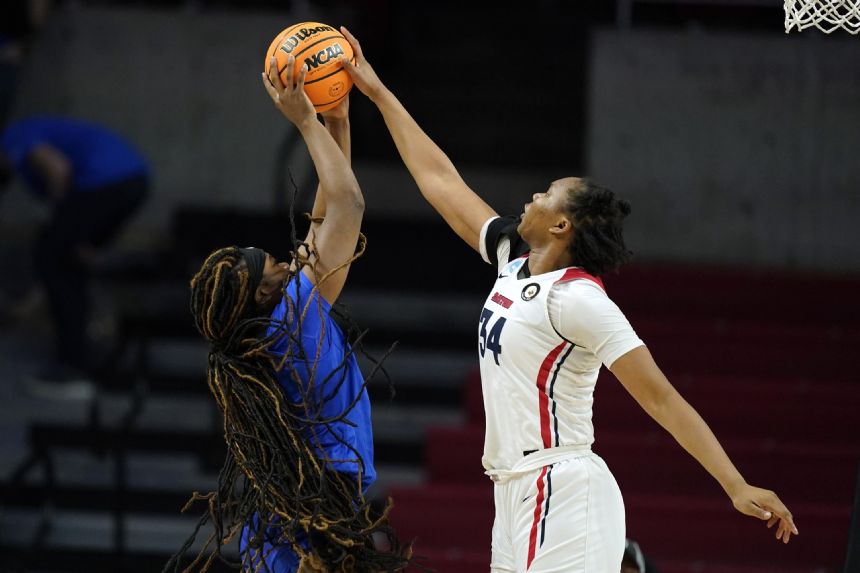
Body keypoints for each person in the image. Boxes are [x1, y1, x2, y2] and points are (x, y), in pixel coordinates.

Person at [337, 27, 798, 573]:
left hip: (564, 487)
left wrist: (735, 484)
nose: (532, 196)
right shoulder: (512, 258)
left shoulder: (579, 300)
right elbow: (440, 180)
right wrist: (376, 92)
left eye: (546, 194)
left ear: (560, 224)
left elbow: (662, 399)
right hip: (512, 491)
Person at [165, 57, 408, 573]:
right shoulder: (293, 321)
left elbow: (323, 216)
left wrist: (337, 121)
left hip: (291, 511)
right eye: (272, 263)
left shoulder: (271, 327)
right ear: (259, 295)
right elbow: (348, 207)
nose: (284, 258)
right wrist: (306, 121)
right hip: (316, 513)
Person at [0, 115, 149, 399]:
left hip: (108, 182)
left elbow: (58, 170)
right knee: (69, 261)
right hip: (132, 181)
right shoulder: (27, 137)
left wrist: (60, 221)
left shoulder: (13, 137)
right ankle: (84, 359)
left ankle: (72, 367)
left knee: (51, 255)